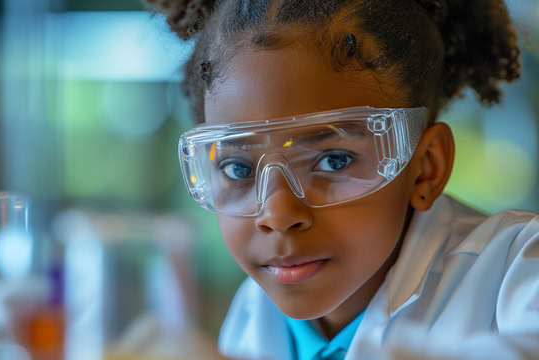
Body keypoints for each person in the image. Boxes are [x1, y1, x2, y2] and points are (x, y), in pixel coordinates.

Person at [146, 0, 539, 359]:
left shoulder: (518, 267)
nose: (278, 214)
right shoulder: (252, 315)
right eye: (238, 169)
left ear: (426, 169)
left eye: (333, 161)